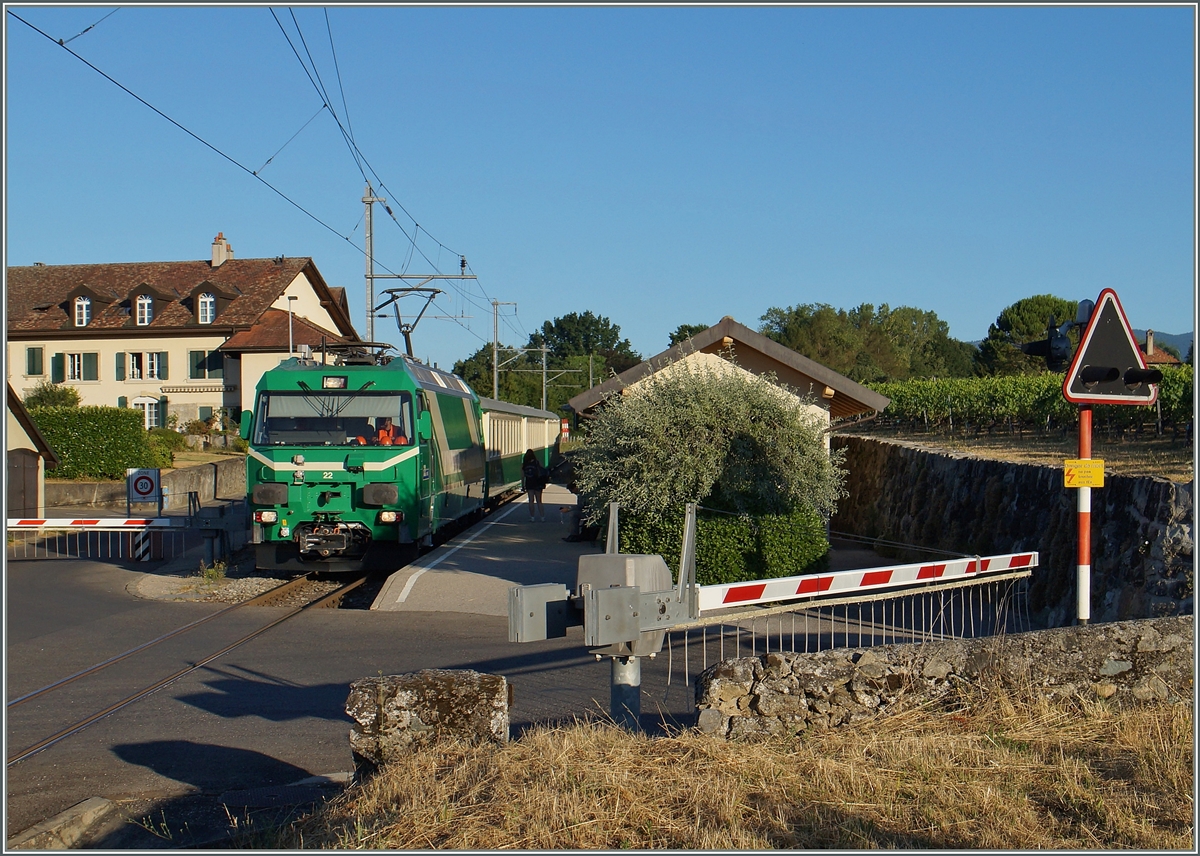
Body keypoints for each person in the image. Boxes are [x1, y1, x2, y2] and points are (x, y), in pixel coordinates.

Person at [521, 449, 548, 521]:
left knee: (531, 501)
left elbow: (522, 476)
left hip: (529, 483)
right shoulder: (537, 462)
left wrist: (522, 485)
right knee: (539, 501)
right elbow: (543, 471)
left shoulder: (524, 464)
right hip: (538, 483)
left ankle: (532, 517)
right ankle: (542, 517)